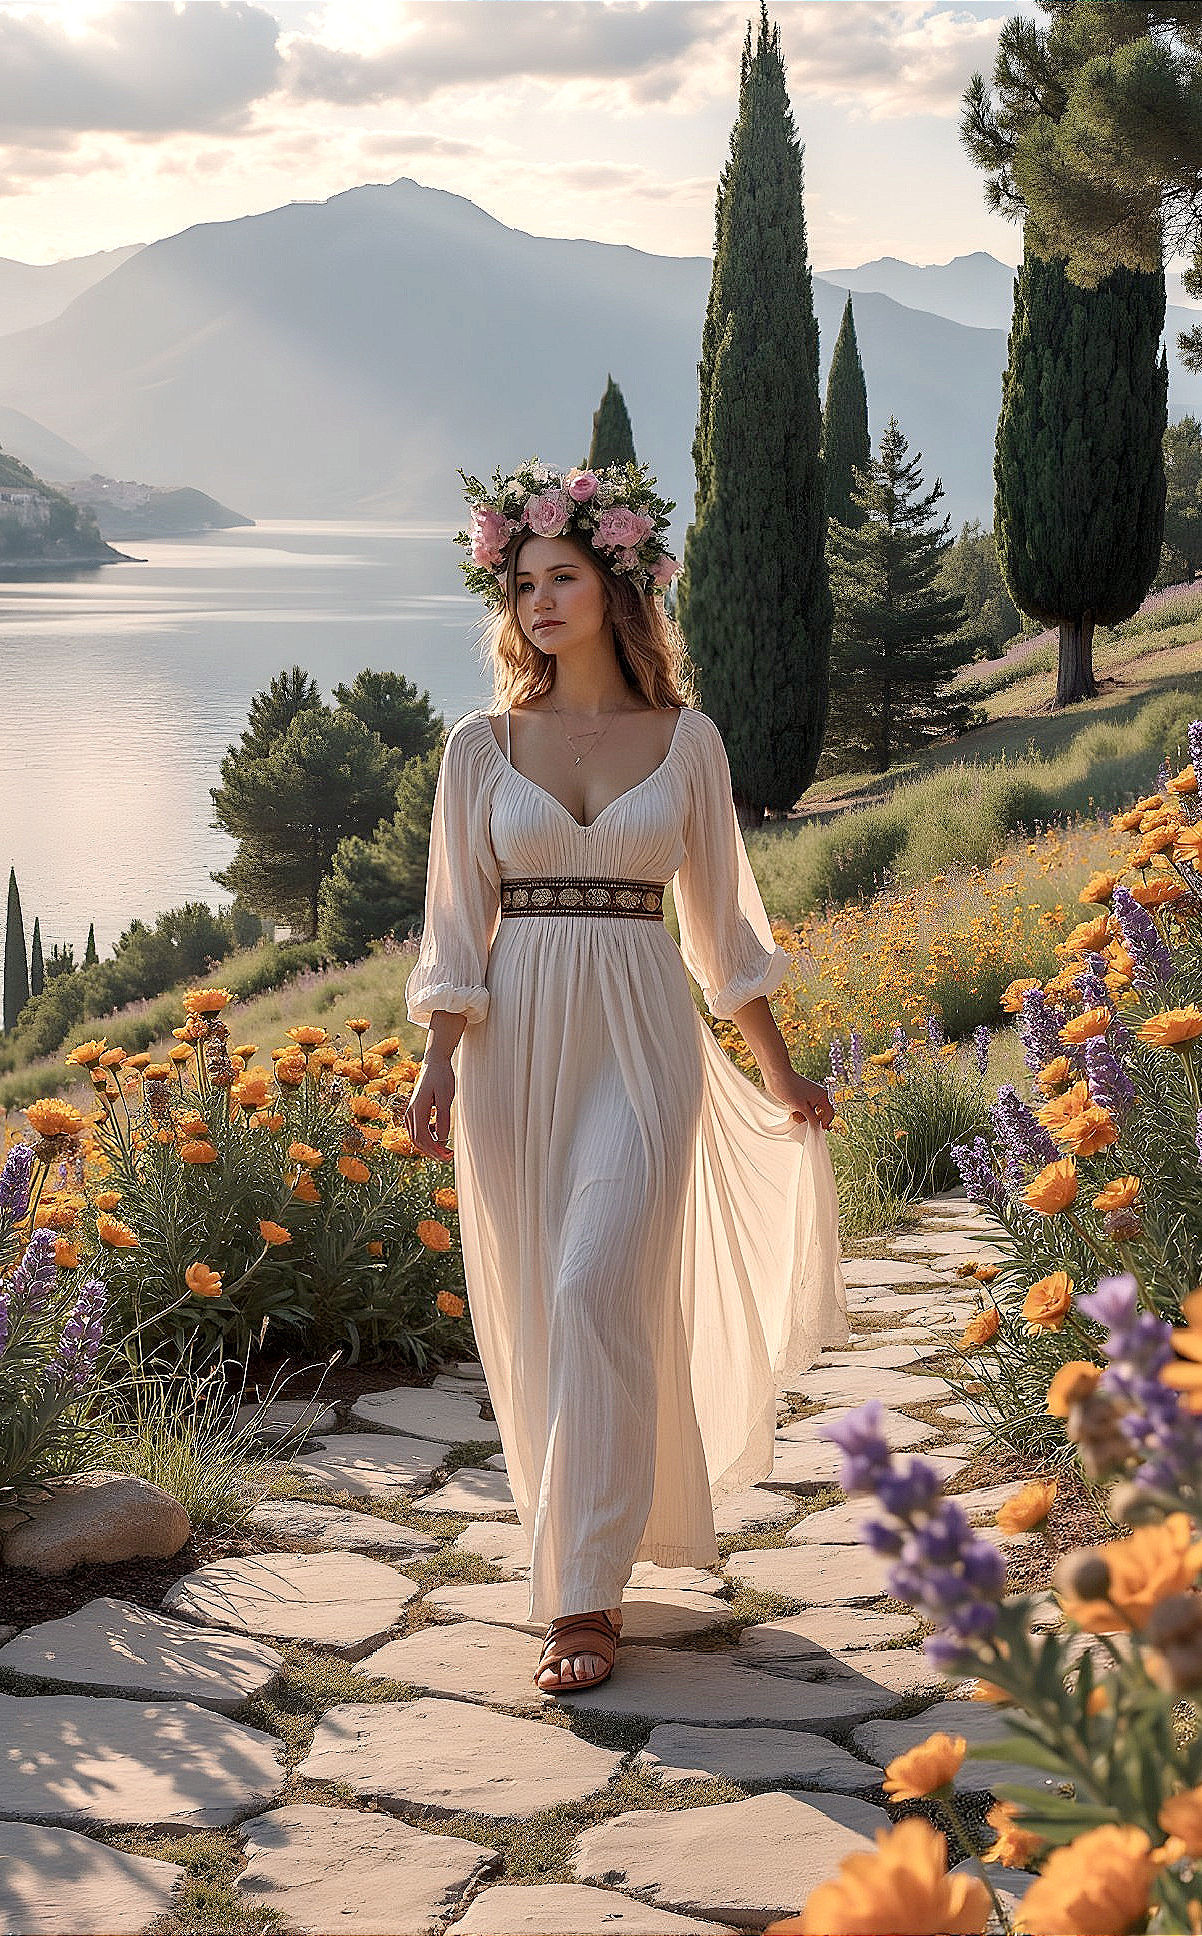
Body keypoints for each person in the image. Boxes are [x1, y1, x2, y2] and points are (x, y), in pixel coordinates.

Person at [402, 459, 847, 1696]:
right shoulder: (478, 748)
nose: (539, 601)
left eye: (562, 577)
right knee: (550, 1312)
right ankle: (582, 1560)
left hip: (646, 1036)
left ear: (615, 586)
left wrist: (779, 1072)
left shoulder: (685, 741)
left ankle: (583, 1604)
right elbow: (453, 930)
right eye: (522, 582)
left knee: (599, 1284)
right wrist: (434, 1067)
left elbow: (723, 931)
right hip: (514, 1051)